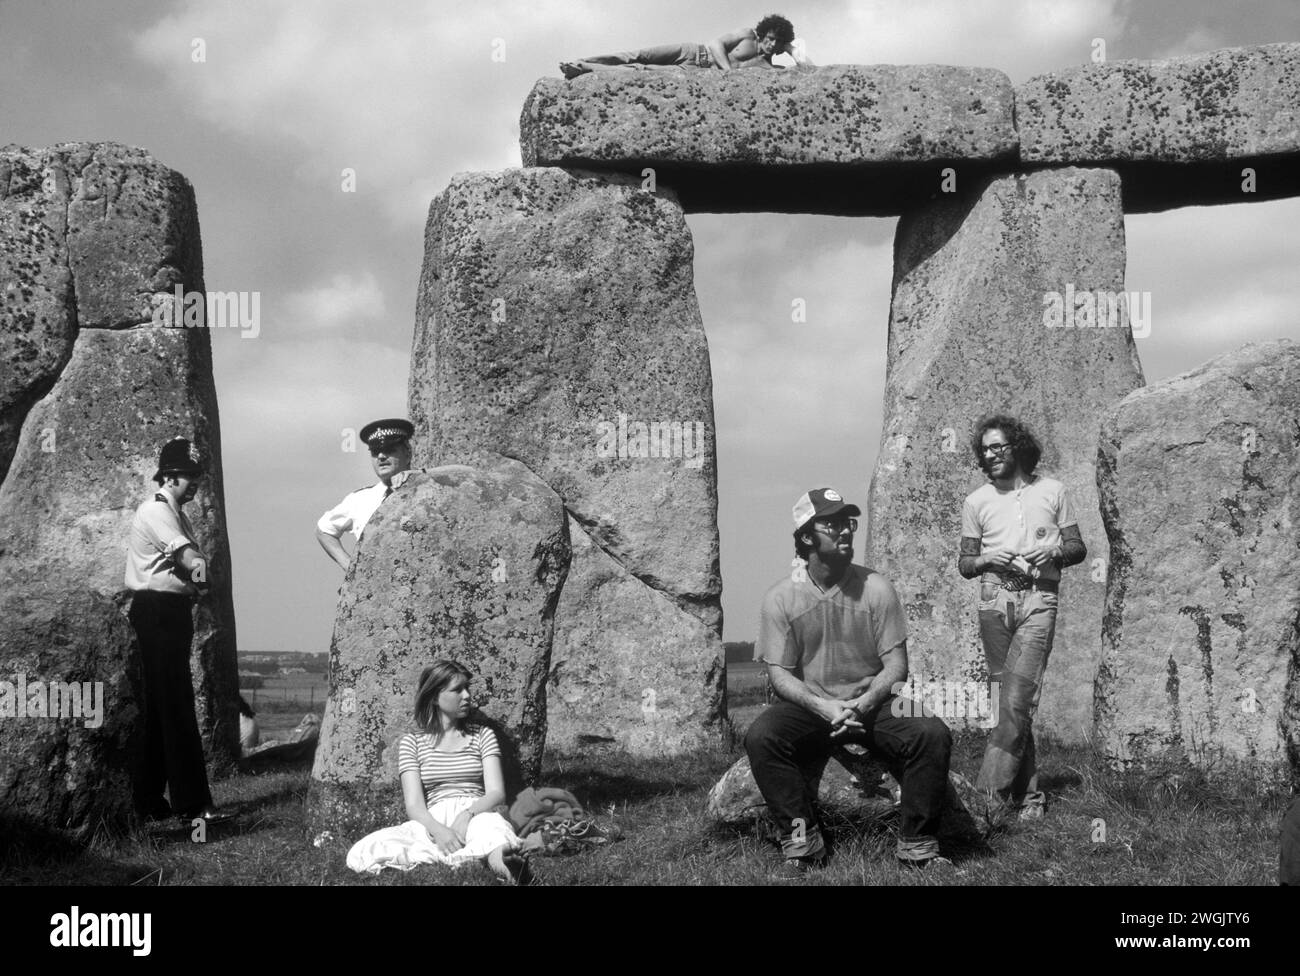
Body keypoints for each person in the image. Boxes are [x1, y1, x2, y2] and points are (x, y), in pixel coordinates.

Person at [744, 487, 953, 876]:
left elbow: (896, 668)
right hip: (811, 706)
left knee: (932, 733)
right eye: (833, 523)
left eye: (848, 523)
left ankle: (918, 846)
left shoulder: (877, 588)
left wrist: (863, 703)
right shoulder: (780, 598)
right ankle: (803, 845)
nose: (845, 531)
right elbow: (779, 675)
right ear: (807, 537)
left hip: (876, 702)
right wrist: (823, 707)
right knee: (762, 737)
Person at [958, 416, 1087, 821]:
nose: (991, 455)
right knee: (1007, 705)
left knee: (1019, 698)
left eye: (998, 447)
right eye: (985, 449)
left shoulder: (1053, 491)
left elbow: (1078, 548)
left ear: (1017, 447)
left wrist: (1054, 553)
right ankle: (1030, 799)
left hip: (1039, 598)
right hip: (994, 600)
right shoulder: (976, 501)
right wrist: (984, 559)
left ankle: (984, 800)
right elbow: (965, 564)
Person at [346, 661, 541, 883]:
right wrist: (438, 830)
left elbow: (496, 793)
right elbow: (414, 805)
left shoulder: (482, 735)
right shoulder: (412, 742)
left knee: (494, 832)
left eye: (467, 688)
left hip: (477, 810)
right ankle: (474, 855)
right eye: (457, 690)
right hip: (434, 817)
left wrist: (467, 815)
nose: (467, 695)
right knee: (369, 847)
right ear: (433, 697)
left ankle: (509, 869)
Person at [124, 436, 230, 824]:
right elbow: (191, 559)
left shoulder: (172, 510)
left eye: (197, 476)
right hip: (158, 612)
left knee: (160, 707)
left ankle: (149, 801)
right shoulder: (157, 512)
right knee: (176, 707)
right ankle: (193, 805)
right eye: (189, 476)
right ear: (169, 477)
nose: (196, 483)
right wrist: (206, 584)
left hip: (166, 612)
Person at [560, 14, 813, 79]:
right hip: (694, 52)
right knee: (637, 54)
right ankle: (581, 60)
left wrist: (793, 50)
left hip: (696, 74)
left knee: (641, 71)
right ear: (763, 33)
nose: (772, 44)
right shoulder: (747, 35)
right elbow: (716, 44)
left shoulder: (770, 69)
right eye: (770, 38)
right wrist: (728, 73)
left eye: (778, 42)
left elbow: (810, 74)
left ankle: (585, 70)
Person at [316, 418, 414, 572]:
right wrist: (351, 569)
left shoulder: (427, 486)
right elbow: (324, 529)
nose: (381, 456)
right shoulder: (360, 499)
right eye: (375, 452)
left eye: (389, 449)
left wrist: (419, 476)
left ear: (407, 453)